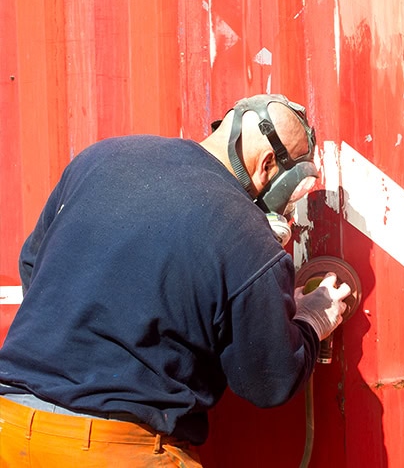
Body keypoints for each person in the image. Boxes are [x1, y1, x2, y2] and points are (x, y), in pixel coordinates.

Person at [0, 94, 351, 467]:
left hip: (9, 426)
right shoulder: (247, 234)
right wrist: (311, 321)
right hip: (114, 449)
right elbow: (268, 381)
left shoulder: (101, 157)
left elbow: (32, 267)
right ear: (268, 165)